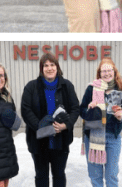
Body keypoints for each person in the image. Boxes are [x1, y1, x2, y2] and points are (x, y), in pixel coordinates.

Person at [21, 53, 81, 187]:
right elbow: (26, 110)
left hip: (60, 141)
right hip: (39, 141)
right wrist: (41, 126)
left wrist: (66, 125)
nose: (49, 68)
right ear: (41, 68)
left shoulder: (67, 86)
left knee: (59, 175)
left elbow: (75, 108)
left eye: (52, 65)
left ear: (57, 67)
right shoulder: (31, 87)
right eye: (45, 65)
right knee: (41, 176)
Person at [80, 58, 122, 187]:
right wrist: (89, 108)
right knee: (95, 176)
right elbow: (81, 110)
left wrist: (121, 116)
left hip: (112, 137)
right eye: (103, 71)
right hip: (93, 136)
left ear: (114, 72)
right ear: (99, 73)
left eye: (109, 70)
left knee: (111, 175)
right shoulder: (92, 89)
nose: (107, 73)